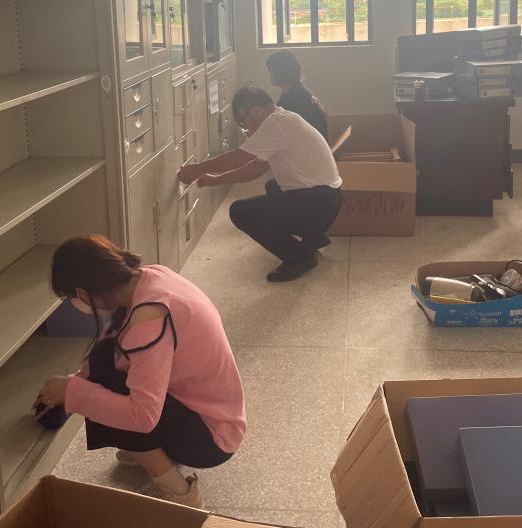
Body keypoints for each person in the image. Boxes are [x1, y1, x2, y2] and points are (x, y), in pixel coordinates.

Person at [35, 235, 245, 508]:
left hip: (211, 439)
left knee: (108, 394)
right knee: (101, 367)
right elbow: (112, 347)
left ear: (83, 293)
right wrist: (72, 385)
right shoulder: (151, 278)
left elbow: (142, 416)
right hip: (218, 415)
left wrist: (74, 392)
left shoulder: (150, 317)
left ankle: (178, 491)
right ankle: (151, 449)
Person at [178, 85, 342, 282]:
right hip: (327, 200)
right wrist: (217, 179)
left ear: (256, 111)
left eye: (243, 123)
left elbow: (238, 158)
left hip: (317, 205)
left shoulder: (275, 124)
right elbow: (256, 168)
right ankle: (314, 237)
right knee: (273, 186)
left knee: (240, 211)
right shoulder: (284, 117)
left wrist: (196, 169)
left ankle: (299, 257)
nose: (245, 129)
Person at [266, 50, 328, 140]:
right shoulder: (289, 94)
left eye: (270, 70)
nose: (270, 75)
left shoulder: (300, 98)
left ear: (279, 71)